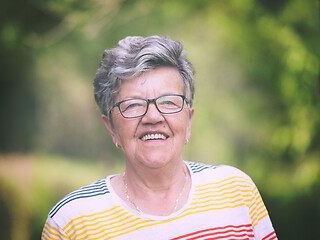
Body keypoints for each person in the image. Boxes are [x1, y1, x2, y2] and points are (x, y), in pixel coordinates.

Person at [41, 35, 277, 240]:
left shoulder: (236, 193)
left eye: (168, 102)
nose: (153, 116)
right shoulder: (72, 222)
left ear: (189, 120)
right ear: (111, 128)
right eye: (133, 105)